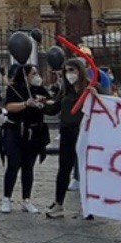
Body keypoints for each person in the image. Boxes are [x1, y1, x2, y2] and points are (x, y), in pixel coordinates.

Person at [0, 64, 50, 214]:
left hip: (33, 132)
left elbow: (50, 102)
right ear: (25, 75)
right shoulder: (14, 88)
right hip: (15, 131)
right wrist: (25, 104)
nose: (36, 76)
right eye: (33, 73)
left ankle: (26, 200)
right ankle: (6, 198)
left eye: (37, 73)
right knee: (13, 164)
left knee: (28, 167)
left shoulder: (39, 89)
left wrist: (45, 103)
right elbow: (9, 107)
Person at [45, 58, 90, 218]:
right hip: (67, 133)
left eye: (72, 70)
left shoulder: (91, 87)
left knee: (87, 170)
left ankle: (89, 206)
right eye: (66, 71)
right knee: (64, 169)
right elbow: (53, 108)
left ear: (80, 71)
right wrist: (41, 104)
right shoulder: (65, 90)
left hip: (86, 133)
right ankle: (58, 203)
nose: (69, 74)